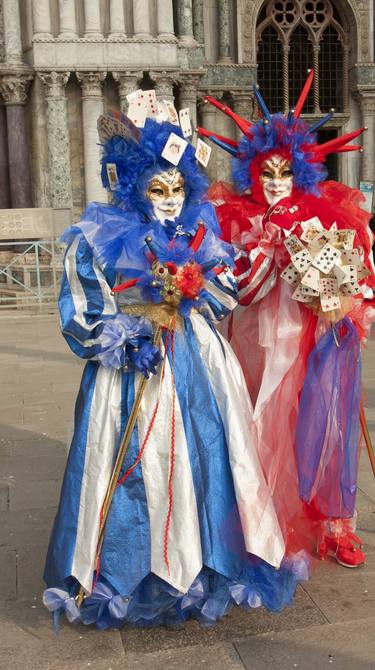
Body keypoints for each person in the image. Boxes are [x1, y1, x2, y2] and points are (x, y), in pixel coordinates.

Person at [42, 104, 309, 630]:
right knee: (135, 467)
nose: (169, 202)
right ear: (135, 188)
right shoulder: (100, 237)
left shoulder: (200, 234)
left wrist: (192, 285)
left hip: (197, 361)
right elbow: (83, 311)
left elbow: (226, 292)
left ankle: (206, 563)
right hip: (132, 371)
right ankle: (129, 572)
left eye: (177, 190)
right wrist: (122, 340)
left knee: (207, 454)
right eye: (157, 190)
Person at [198, 69, 375, 568]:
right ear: (252, 173)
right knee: (258, 424)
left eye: (286, 174)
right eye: (267, 174)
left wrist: (348, 309)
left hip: (312, 338)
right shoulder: (234, 218)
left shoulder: (331, 214)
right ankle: (262, 520)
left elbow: (360, 275)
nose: (276, 185)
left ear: (302, 173)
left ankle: (333, 523)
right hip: (255, 341)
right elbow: (238, 292)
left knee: (323, 428)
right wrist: (269, 242)